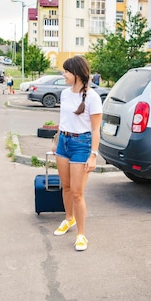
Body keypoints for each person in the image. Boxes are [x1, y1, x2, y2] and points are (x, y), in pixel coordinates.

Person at [52, 55, 102, 251]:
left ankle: (81, 235)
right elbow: (63, 119)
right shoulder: (65, 94)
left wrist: (93, 155)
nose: (63, 74)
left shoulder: (93, 97)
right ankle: (68, 219)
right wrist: (57, 141)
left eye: (66, 71)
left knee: (77, 193)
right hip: (63, 142)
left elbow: (96, 129)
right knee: (65, 187)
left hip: (82, 145)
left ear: (77, 74)